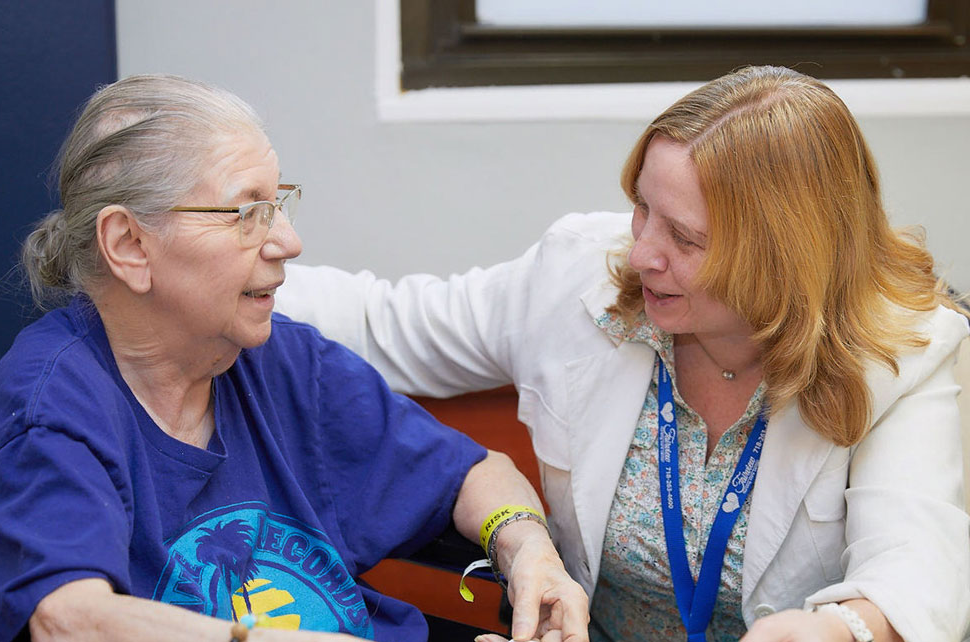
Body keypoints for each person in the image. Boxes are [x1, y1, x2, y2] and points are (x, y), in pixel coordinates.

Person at [274, 66, 970, 641]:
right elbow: (379, 321)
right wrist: (223, 267)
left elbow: (914, 568)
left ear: (783, 260)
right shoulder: (577, 275)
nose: (640, 255)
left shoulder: (907, 351)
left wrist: (844, 629)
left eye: (685, 238)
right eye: (642, 209)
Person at [0, 74, 590, 642]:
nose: (289, 242)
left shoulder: (280, 360)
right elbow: (71, 619)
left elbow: (476, 472)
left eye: (280, 204)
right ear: (130, 244)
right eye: (248, 212)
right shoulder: (52, 403)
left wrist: (527, 548)